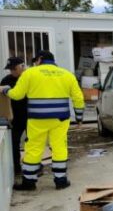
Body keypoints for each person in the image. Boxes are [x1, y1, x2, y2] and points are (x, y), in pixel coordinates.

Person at [1, 50, 84, 191]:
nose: (34, 63)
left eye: (35, 60)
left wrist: (6, 90)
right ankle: (60, 181)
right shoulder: (67, 75)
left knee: (34, 148)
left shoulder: (30, 73)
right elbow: (78, 98)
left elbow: (17, 95)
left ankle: (29, 182)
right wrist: (79, 118)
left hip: (37, 118)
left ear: (40, 59)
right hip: (60, 118)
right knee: (59, 147)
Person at [1, 57, 28, 178]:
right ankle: (17, 168)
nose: (11, 71)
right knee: (14, 143)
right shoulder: (6, 80)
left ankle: (34, 167)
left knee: (33, 143)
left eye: (13, 69)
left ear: (21, 66)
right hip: (15, 117)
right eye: (10, 69)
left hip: (31, 115)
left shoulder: (29, 77)